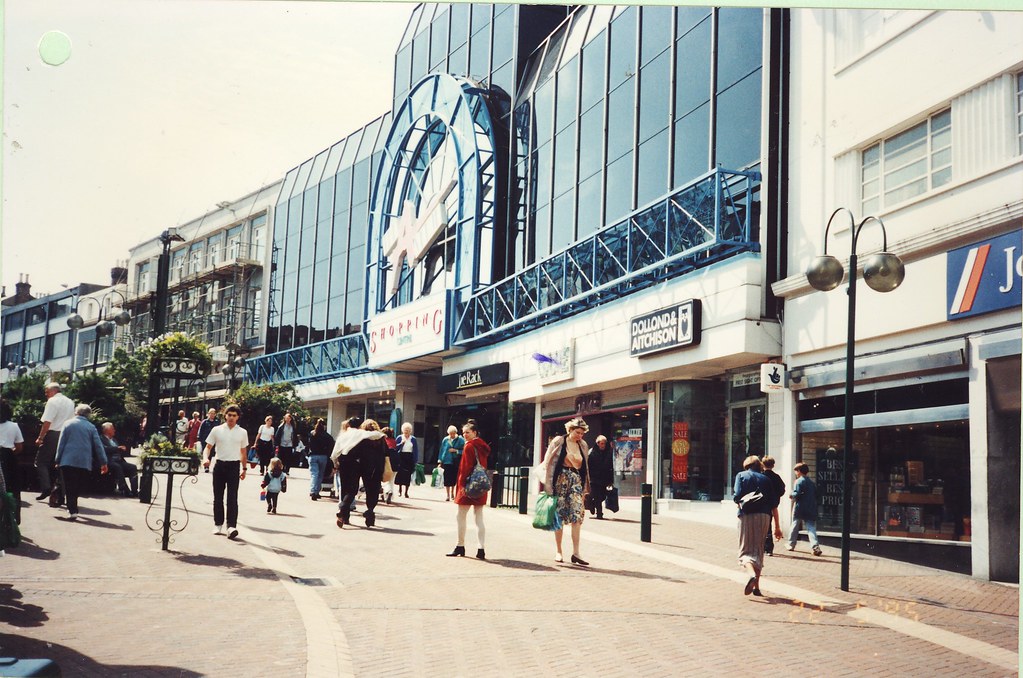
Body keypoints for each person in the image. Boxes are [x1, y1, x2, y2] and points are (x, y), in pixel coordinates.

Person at [540, 417, 592, 566]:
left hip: (576, 480)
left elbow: (585, 467)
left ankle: (576, 553)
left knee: (577, 515)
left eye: (582, 433)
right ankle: (559, 551)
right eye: (577, 432)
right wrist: (548, 485)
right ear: (569, 430)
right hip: (560, 479)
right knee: (560, 515)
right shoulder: (559, 441)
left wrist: (584, 489)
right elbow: (548, 461)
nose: (580, 436)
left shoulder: (583, 445)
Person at [733, 455, 778, 596]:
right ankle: (757, 587)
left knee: (745, 551)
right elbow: (773, 503)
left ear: (746, 465)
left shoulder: (741, 475)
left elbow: (737, 496)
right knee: (758, 550)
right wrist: (777, 526)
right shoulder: (766, 479)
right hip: (765, 516)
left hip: (747, 515)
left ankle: (751, 574)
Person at [54, 404, 108, 520]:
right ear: (89, 415)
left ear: (76, 412)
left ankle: (72, 510)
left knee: (69, 485)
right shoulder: (91, 427)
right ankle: (73, 507)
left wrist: (58, 459)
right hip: (84, 462)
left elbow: (61, 443)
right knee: (77, 485)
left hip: (67, 460)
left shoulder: (67, 424)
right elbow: (98, 446)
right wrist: (103, 462)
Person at [202, 404, 248, 540]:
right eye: (229, 415)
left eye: (234, 415)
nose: (231, 418)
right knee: (218, 497)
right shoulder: (217, 430)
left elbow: (243, 453)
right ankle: (218, 524)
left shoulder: (242, 432)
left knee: (232, 497)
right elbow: (208, 447)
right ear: (225, 416)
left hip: (234, 466)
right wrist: (205, 458)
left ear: (238, 417)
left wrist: (244, 469)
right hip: (220, 465)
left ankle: (231, 526)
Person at [330, 416, 384, 528]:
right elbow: (374, 435)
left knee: (344, 488)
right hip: (354, 462)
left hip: (342, 461)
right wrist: (382, 434)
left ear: (349, 424)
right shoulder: (360, 433)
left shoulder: (343, 435)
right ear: (359, 425)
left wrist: (336, 464)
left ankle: (344, 516)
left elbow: (334, 454)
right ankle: (343, 507)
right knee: (352, 489)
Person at [446, 420, 490, 560]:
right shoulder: (482, 446)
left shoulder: (469, 446)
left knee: (460, 516)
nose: (464, 435)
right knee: (479, 517)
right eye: (463, 432)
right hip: (480, 485)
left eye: (467, 432)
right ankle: (481, 548)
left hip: (468, 485)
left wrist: (461, 486)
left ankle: (460, 545)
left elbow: (465, 468)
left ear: (474, 433)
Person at [33, 382, 75, 500]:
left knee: (41, 462)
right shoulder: (70, 401)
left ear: (54, 391)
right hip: (66, 435)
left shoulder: (52, 401)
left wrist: (40, 437)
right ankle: (60, 492)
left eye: (47, 392)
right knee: (61, 464)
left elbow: (47, 422)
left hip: (54, 434)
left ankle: (46, 487)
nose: (46, 395)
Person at [356, 419, 388, 527]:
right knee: (375, 490)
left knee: (368, 488)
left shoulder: (363, 438)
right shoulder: (381, 438)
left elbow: (359, 452)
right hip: (378, 467)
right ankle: (371, 509)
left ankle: (370, 512)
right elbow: (386, 452)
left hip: (366, 467)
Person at [788, 462, 822, 556]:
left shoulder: (798, 481)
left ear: (799, 471)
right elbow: (816, 495)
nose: (795, 473)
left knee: (794, 525)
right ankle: (815, 546)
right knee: (811, 528)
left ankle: (791, 544)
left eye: (796, 471)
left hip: (800, 507)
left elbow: (796, 493)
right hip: (811, 507)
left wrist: (791, 494)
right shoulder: (812, 483)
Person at [0, 399, 25, 523]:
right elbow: (19, 447)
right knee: (11, 488)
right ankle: (11, 517)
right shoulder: (13, 426)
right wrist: (9, 454)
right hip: (8, 457)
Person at [100, 422, 138, 497]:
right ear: (107, 430)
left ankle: (135, 491)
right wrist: (117, 448)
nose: (114, 430)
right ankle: (124, 489)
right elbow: (104, 449)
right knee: (117, 467)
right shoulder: (101, 439)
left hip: (119, 460)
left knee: (132, 467)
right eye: (112, 429)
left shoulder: (114, 440)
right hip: (109, 461)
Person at [761, 455, 786, 555]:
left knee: (763, 526)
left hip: (762, 503)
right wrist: (776, 497)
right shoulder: (776, 477)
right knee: (769, 525)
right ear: (773, 465)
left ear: (763, 464)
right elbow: (782, 490)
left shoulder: (761, 476)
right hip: (773, 503)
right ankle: (769, 549)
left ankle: (763, 547)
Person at [306, 418, 334, 500]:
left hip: (313, 456)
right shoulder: (328, 436)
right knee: (320, 475)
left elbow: (308, 445)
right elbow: (331, 447)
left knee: (314, 474)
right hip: (323, 456)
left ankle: (312, 491)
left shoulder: (312, 434)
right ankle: (317, 491)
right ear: (324, 426)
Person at [587, 434, 614, 519]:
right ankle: (599, 513)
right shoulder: (592, 452)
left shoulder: (609, 452)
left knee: (603, 495)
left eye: (604, 443)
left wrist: (611, 479)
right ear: (598, 443)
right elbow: (589, 465)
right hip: (594, 478)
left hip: (604, 478)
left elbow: (611, 465)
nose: (603, 445)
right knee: (597, 496)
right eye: (601, 443)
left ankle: (592, 504)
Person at [437, 425, 465, 502]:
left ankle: (453, 493)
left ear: (456, 432)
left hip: (455, 461)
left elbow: (464, 450)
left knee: (454, 478)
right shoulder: (445, 439)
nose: (451, 435)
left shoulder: (461, 440)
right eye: (450, 434)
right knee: (447, 478)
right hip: (446, 461)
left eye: (453, 433)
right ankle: (448, 495)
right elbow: (442, 450)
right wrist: (440, 460)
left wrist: (456, 451)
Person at [393, 422, 418, 499]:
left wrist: (415, 460)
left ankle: (406, 492)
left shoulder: (413, 439)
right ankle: (400, 490)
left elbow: (416, 450)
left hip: (409, 457)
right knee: (400, 474)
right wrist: (401, 443)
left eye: (408, 430)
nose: (406, 431)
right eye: (405, 430)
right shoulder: (399, 437)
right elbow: (395, 448)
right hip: (401, 456)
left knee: (408, 475)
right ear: (402, 430)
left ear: (410, 431)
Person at [197, 408, 219, 472]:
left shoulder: (217, 422)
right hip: (205, 440)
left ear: (215, 414)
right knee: (206, 452)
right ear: (208, 414)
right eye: (211, 413)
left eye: (213, 413)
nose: (212, 415)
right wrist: (199, 438)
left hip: (213, 440)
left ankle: (208, 464)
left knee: (211, 453)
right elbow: (200, 430)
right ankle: (206, 466)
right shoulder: (204, 421)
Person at [380, 426, 398, 504]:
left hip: (387, 462)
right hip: (395, 463)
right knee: (391, 480)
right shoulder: (394, 441)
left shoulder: (384, 441)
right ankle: (389, 494)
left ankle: (387, 492)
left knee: (385, 479)